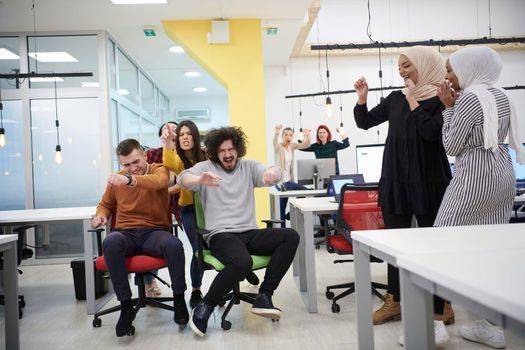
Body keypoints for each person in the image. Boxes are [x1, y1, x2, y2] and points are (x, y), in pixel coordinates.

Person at [353, 46, 453, 344]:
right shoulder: (395, 98)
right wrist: (362, 98)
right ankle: (394, 299)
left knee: (433, 246)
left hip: (429, 180)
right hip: (396, 179)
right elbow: (365, 121)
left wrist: (413, 99)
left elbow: (431, 134)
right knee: (394, 244)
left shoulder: (441, 99)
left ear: (424, 66)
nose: (401, 71)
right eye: (399, 66)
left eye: (407, 65)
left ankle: (442, 304)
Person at [434, 46, 525, 349]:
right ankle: (491, 326)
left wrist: (448, 107)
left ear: (469, 67)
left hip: (475, 173)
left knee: (437, 244)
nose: (447, 76)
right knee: (487, 247)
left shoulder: (470, 97)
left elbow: (452, 144)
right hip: (503, 171)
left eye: (450, 69)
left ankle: (434, 324)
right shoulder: (500, 94)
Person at [177, 126, 300, 337]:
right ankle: (205, 306)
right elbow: (182, 178)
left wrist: (273, 173)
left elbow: (272, 171)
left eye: (231, 149)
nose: (227, 154)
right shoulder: (205, 167)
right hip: (220, 234)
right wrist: (198, 180)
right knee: (243, 262)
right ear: (215, 151)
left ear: (238, 149)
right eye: (222, 150)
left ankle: (264, 295)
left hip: (248, 231)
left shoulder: (248, 167)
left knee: (290, 236)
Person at [91, 138, 189, 337]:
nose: (132, 168)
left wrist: (130, 180)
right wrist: (101, 215)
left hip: (154, 232)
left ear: (144, 155)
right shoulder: (117, 179)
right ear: (121, 164)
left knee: (174, 245)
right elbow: (106, 204)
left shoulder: (158, 169)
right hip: (125, 234)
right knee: (110, 242)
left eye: (136, 162)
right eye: (126, 165)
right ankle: (126, 306)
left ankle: (179, 299)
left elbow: (159, 182)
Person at [162, 120, 207, 309]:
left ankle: (232, 279)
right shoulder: (179, 160)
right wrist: (167, 144)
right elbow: (170, 163)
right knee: (199, 251)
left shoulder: (206, 156)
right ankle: (196, 290)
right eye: (181, 134)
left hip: (211, 209)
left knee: (220, 244)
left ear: (195, 136)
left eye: (188, 134)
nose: (185, 137)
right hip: (189, 210)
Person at [143, 121, 181, 298]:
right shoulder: (151, 154)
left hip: (181, 200)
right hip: (155, 204)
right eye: (167, 131)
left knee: (199, 239)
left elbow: (184, 182)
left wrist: (165, 190)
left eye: (175, 130)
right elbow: (144, 177)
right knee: (152, 241)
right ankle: (149, 283)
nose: (171, 133)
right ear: (161, 136)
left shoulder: (185, 153)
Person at [273, 124, 311, 225]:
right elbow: (274, 143)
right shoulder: (279, 147)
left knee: (281, 210)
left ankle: (289, 215)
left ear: (292, 137)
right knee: (305, 191)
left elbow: (306, 144)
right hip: (282, 183)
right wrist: (276, 132)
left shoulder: (292, 146)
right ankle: (291, 215)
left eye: (290, 135)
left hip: (289, 182)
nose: (288, 137)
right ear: (282, 136)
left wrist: (307, 135)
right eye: (285, 135)